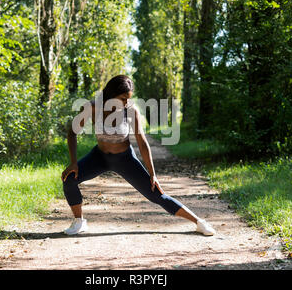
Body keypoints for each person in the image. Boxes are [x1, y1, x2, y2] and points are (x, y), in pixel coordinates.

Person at [61, 75, 216, 236]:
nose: (126, 102)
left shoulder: (130, 111)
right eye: (123, 98)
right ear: (111, 94)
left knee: (157, 195)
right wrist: (73, 163)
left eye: (128, 99)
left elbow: (142, 142)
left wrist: (153, 174)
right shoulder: (91, 108)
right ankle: (79, 221)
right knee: (69, 179)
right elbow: (72, 133)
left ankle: (199, 222)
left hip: (124, 159)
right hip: (99, 157)